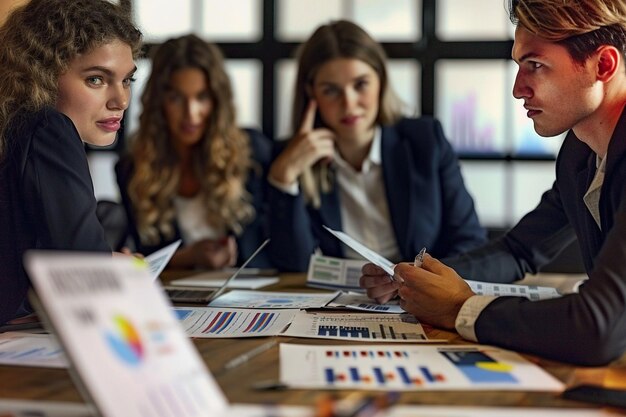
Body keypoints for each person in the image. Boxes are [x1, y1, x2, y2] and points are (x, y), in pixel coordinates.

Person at [361, 0, 626, 366]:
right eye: (519, 66)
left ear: (604, 65)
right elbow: (519, 250)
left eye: (536, 66)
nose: (518, 89)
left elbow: (600, 329)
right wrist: (420, 282)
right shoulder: (579, 154)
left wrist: (460, 308)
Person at [268, 20, 487, 272]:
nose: (349, 105)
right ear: (311, 93)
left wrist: (418, 283)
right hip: (339, 302)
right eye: (330, 90)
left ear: (381, 81)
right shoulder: (290, 158)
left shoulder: (425, 140)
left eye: (360, 85)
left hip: (422, 296)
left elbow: (470, 242)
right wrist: (284, 178)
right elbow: (294, 266)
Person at [0, 0, 142, 325]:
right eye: (96, 79)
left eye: (127, 80)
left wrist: (107, 263)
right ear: (42, 75)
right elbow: (89, 279)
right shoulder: (49, 127)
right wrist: (113, 272)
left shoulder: (15, 130)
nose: (120, 100)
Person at [116, 34, 273, 269]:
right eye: (176, 98)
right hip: (175, 298)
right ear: (159, 102)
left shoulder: (251, 151)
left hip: (252, 297)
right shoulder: (133, 168)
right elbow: (145, 260)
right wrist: (188, 258)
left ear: (217, 100)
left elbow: (278, 250)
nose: (191, 113)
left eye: (202, 97)